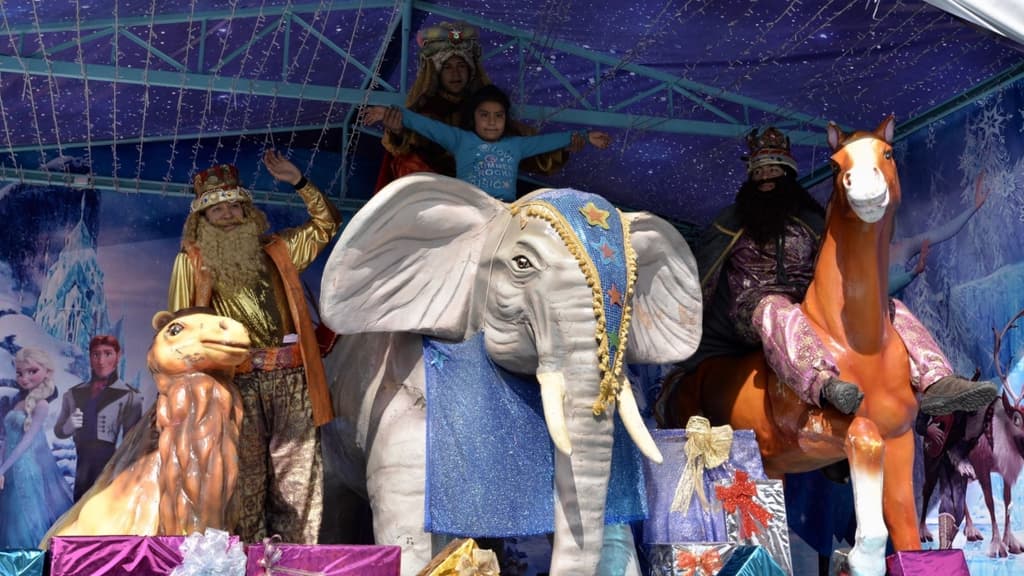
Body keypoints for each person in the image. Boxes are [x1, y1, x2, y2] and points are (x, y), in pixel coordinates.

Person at [680, 126, 997, 418]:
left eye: (774, 170)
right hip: (752, 308)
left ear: (788, 176)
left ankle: (937, 381)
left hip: (809, 305)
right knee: (774, 308)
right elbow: (703, 276)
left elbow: (841, 265)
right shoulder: (731, 221)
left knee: (890, 309)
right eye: (760, 172)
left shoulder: (811, 222)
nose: (766, 178)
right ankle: (823, 383)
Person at [167, 150, 342, 544]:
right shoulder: (190, 263)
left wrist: (300, 182)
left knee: (299, 483)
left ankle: (294, 565)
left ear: (248, 212)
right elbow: (181, 335)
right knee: (242, 483)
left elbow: (327, 223)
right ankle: (249, 563)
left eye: (235, 207)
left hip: (293, 378)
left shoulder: (277, 250)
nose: (228, 215)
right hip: (237, 386)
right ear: (202, 220)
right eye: (217, 210)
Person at [375, 21, 581, 191]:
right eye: (447, 67)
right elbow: (407, 149)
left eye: (461, 66)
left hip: (481, 196)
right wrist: (398, 132)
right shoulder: (426, 111)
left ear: (471, 70)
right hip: (435, 196)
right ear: (437, 72)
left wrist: (561, 146)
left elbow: (525, 142)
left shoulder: (486, 111)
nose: (455, 74)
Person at [364, 84, 611, 201]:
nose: (492, 122)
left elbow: (545, 142)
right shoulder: (460, 140)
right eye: (485, 115)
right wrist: (387, 113)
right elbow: (428, 126)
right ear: (473, 119)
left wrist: (586, 137)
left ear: (505, 119)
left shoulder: (516, 145)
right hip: (467, 206)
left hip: (505, 210)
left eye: (498, 116)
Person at [53, 334, 142, 501]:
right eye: (96, 354)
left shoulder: (129, 396)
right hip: (82, 465)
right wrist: (70, 425)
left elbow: (132, 440)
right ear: (90, 357)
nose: (101, 361)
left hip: (110, 465)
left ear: (118, 356)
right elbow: (59, 431)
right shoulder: (74, 393)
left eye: (107, 353)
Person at [0, 348, 74, 547]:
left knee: (22, 520)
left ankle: (29, 566)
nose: (25, 378)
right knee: (9, 518)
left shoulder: (41, 405)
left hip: (24, 468)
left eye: (32, 371)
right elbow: (8, 440)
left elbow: (26, 442)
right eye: (20, 373)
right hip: (9, 469)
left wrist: (2, 468)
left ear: (47, 372)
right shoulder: (18, 402)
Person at [888, 171, 987, 296]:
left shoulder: (903, 246)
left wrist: (974, 208)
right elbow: (879, 291)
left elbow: (943, 232)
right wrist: (912, 274)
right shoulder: (864, 255)